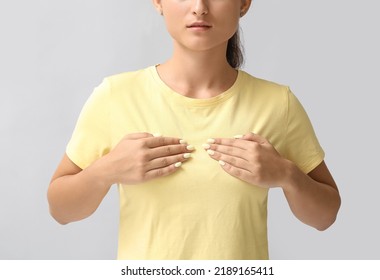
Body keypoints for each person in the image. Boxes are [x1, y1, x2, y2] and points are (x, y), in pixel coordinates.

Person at [47, 0, 341, 259]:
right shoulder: (115, 96)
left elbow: (325, 216)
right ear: (158, 2)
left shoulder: (278, 104)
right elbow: (60, 209)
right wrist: (106, 171)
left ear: (244, 3)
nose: (200, 6)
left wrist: (286, 174)